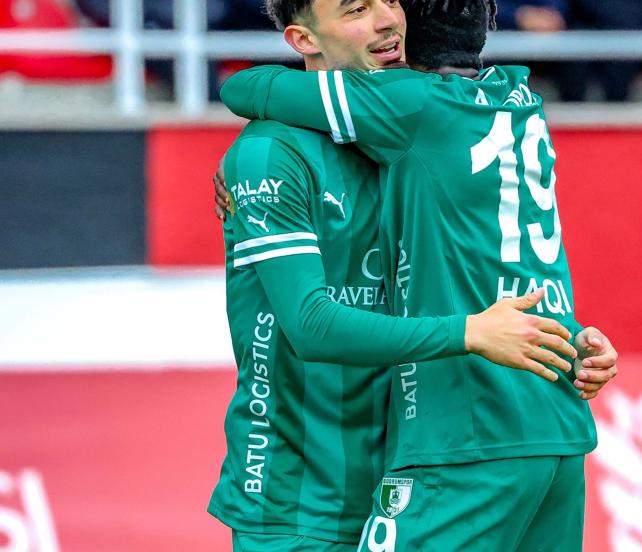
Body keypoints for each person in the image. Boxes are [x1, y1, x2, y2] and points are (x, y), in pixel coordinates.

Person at [219, 0, 619, 548]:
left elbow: (485, 266)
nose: (387, 19)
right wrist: (472, 332)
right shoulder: (272, 152)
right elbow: (310, 325)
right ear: (304, 39)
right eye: (356, 9)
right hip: (300, 503)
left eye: (391, 0)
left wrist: (567, 342)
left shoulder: (410, 129)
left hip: (410, 475)